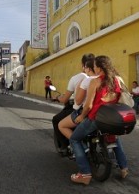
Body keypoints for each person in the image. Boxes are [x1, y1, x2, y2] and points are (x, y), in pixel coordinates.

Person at [69, 55, 128, 185]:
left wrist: (81, 116)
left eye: (95, 66)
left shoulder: (95, 82)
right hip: (111, 118)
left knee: (74, 139)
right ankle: (124, 168)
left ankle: (84, 173)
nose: (94, 68)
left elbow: (88, 105)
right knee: (114, 138)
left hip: (96, 118)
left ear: (99, 68)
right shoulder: (116, 80)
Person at [52, 53, 95, 155]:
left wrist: (58, 97)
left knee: (57, 121)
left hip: (80, 109)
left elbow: (72, 100)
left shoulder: (78, 78)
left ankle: (65, 146)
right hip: (96, 109)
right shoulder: (100, 77)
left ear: (83, 65)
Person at [58, 58, 97, 141]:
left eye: (85, 67)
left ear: (89, 68)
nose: (84, 69)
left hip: (85, 111)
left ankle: (78, 145)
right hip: (101, 111)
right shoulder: (105, 78)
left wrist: (79, 86)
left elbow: (78, 101)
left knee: (61, 125)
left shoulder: (87, 80)